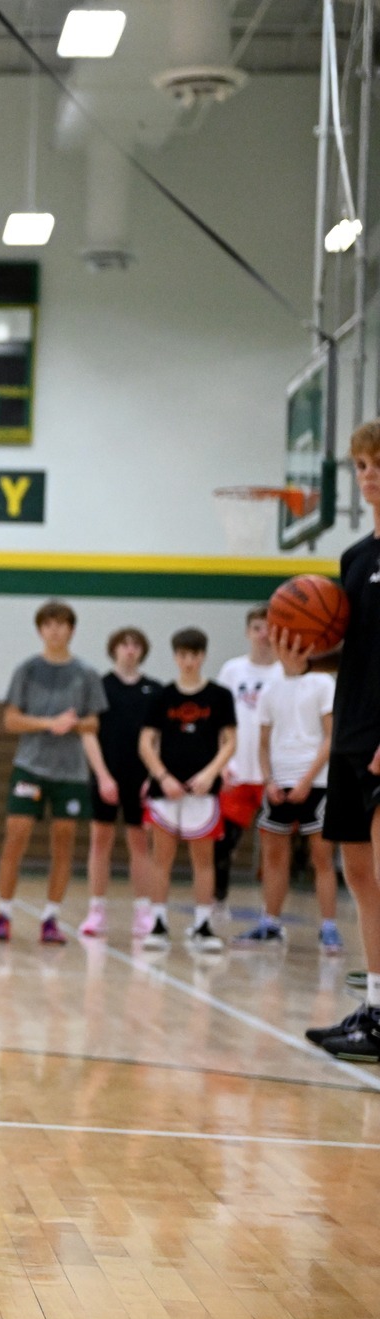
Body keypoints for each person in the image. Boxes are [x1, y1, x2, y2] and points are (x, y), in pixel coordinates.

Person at [304, 421, 380, 1061]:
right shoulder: (355, 559)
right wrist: (306, 661)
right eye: (361, 465)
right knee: (361, 875)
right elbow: (355, 653)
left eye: (378, 462)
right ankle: (376, 1009)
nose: (370, 474)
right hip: (354, 734)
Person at [0, 600, 110, 944]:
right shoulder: (26, 669)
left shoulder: (86, 673)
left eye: (62, 625)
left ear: (71, 630)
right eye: (49, 625)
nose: (55, 631)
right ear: (40, 630)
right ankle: (3, 913)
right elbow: (10, 719)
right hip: (30, 766)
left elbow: (93, 722)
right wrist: (48, 723)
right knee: (16, 836)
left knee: (64, 843)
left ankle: (51, 917)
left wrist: (71, 724)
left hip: (70, 772)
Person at [138, 627, 237, 952]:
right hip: (166, 791)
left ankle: (203, 924)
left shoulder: (220, 696)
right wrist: (163, 776)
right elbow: (146, 744)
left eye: (194, 654)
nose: (189, 660)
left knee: (204, 861)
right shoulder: (161, 696)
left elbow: (230, 742)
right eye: (183, 654)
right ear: (175, 656)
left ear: (202, 656)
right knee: (160, 859)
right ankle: (158, 921)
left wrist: (211, 774)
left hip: (203, 792)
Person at [244, 637, 337, 949]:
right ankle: (270, 923)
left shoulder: (323, 682)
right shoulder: (269, 688)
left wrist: (307, 779)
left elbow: (330, 737)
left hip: (317, 782)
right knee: (273, 856)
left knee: (321, 858)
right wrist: (269, 780)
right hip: (279, 781)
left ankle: (328, 926)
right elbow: (262, 742)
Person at [81, 627, 161, 939]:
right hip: (107, 775)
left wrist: (153, 777)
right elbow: (88, 733)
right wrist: (102, 775)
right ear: (113, 649)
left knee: (140, 844)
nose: (129, 650)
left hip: (140, 779)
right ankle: (97, 910)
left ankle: (143, 911)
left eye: (136, 645)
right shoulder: (99, 686)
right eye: (124, 644)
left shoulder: (154, 689)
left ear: (143, 650)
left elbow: (158, 738)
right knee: (100, 842)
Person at [213, 606, 281, 911]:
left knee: (275, 852)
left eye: (269, 627)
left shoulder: (287, 672)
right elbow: (217, 724)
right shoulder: (232, 671)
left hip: (274, 775)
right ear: (247, 632)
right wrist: (222, 764)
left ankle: (271, 917)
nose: (263, 634)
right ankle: (218, 903)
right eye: (257, 627)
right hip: (237, 771)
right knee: (223, 844)